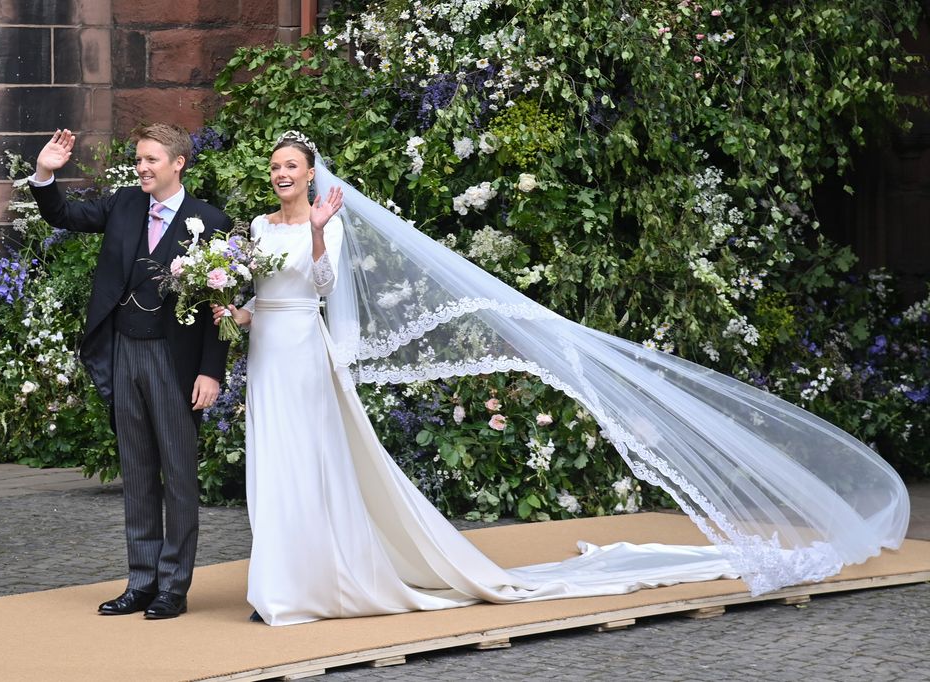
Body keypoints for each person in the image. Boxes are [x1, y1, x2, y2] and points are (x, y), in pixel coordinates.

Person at [216, 131, 909, 626]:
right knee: (271, 465)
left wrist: (314, 231)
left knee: (310, 464)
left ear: (310, 174)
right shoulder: (254, 223)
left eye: (290, 166)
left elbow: (323, 284)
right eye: (275, 167)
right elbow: (265, 298)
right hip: (269, 352)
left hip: (307, 353)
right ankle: (276, 581)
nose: (280, 174)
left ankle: (304, 587)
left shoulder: (325, 222)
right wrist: (230, 309)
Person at [29, 125, 232, 619]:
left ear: (178, 163)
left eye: (151, 160)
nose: (141, 168)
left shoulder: (210, 220)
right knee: (137, 472)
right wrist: (45, 173)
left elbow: (218, 308)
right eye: (139, 160)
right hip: (124, 352)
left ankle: (173, 588)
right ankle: (141, 582)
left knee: (180, 477)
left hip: (174, 360)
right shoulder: (123, 204)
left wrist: (211, 372)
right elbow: (65, 214)